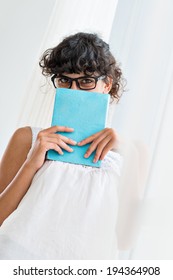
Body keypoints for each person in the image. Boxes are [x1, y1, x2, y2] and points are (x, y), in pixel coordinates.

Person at [0, 32, 124, 259]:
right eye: (64, 80)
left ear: (107, 84)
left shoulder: (123, 155)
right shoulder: (27, 138)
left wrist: (125, 150)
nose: (73, 90)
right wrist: (32, 163)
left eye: (86, 81)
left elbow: (125, 238)